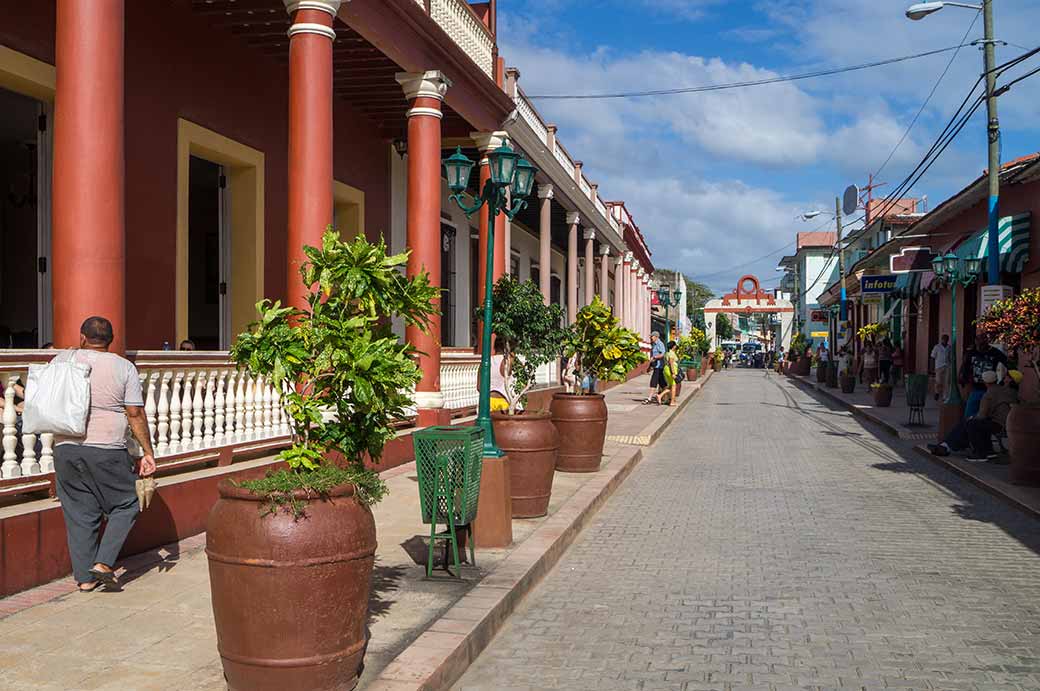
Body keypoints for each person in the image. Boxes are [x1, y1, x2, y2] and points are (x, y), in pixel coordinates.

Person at [49, 317, 156, 592]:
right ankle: (104, 563)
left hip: (65, 447)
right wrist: (147, 451)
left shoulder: (62, 360)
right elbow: (134, 412)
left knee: (80, 513)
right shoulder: (124, 367)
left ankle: (85, 581)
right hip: (106, 446)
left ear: (82, 337)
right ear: (112, 340)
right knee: (128, 502)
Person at [929, 370, 1018, 460]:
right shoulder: (1010, 392)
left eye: (1007, 377)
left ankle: (978, 452)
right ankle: (947, 445)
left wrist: (972, 418)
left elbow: (982, 415)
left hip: (999, 425)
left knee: (970, 423)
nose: (1004, 378)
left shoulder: (989, 394)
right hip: (1006, 423)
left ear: (985, 382)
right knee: (969, 422)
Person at [959, 333, 1009, 418]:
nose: (980, 346)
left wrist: (1003, 381)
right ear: (975, 342)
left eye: (983, 343)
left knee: (987, 413)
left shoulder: (995, 352)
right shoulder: (971, 352)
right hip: (975, 388)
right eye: (979, 343)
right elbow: (964, 367)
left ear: (987, 342)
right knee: (969, 413)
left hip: (990, 389)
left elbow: (1009, 365)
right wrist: (963, 379)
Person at [653, 341, 680, 406]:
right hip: (670, 371)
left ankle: (660, 396)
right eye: (675, 345)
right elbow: (671, 363)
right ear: (673, 346)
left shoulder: (667, 353)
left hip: (666, 370)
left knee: (671, 386)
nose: (676, 346)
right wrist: (673, 373)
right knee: (673, 386)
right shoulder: (671, 353)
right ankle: (672, 402)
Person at [643, 332, 666, 404]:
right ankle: (668, 397)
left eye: (652, 336)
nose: (651, 338)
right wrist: (650, 366)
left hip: (659, 366)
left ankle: (649, 398)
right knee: (662, 384)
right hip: (656, 366)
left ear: (656, 336)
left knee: (654, 382)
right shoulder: (654, 344)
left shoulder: (660, 344)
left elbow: (662, 354)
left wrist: (654, 357)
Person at [930, 334, 950, 401]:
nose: (945, 340)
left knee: (946, 382)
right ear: (941, 339)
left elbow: (950, 357)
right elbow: (932, 357)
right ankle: (937, 392)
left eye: (947, 339)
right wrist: (932, 368)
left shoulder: (949, 347)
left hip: (947, 366)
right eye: (944, 339)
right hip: (939, 366)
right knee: (938, 381)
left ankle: (945, 397)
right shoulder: (937, 347)